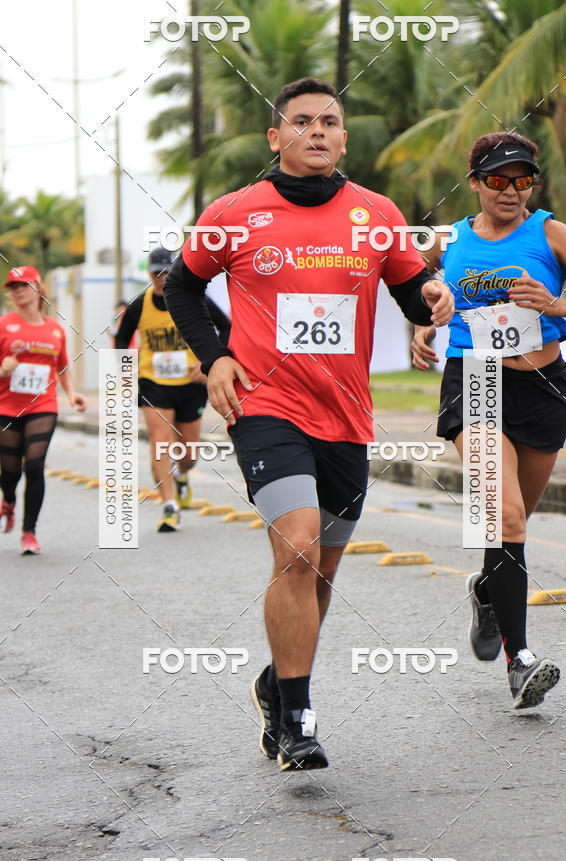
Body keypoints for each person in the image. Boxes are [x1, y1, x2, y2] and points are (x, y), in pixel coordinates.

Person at [164, 77, 454, 771]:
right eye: (302, 122)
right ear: (276, 137)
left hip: (346, 412)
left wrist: (432, 300)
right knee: (294, 547)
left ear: (343, 137)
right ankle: (298, 720)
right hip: (266, 407)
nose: (317, 131)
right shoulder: (236, 212)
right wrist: (217, 358)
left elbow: (411, 286)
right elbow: (181, 283)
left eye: (330, 121)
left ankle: (275, 681)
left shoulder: (377, 213)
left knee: (322, 568)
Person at [412, 131, 566, 710]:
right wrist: (425, 322)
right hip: (476, 380)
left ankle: (489, 593)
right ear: (475, 184)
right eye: (498, 179)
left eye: (522, 179)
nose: (511, 190)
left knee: (511, 522)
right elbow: (429, 295)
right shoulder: (453, 241)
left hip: (543, 386)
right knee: (506, 513)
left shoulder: (550, 232)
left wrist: (557, 304)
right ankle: (520, 662)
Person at [115, 246, 230, 532]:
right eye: (156, 273)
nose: (162, 278)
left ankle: (181, 474)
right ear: (149, 274)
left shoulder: (192, 299)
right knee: (159, 441)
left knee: (190, 454)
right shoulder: (139, 305)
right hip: (153, 383)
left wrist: (211, 361)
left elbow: (226, 326)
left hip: (191, 383)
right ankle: (169, 506)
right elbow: (121, 341)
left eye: (167, 272)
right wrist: (126, 373)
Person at [0, 265, 86, 554]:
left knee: (34, 464)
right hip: (6, 406)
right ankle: (9, 499)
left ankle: (29, 532)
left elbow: (61, 366)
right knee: (10, 470)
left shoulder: (55, 330)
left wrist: (72, 394)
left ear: (39, 287)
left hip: (42, 405)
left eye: (24, 285)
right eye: (14, 287)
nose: (19, 291)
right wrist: (3, 369)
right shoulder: (4, 325)